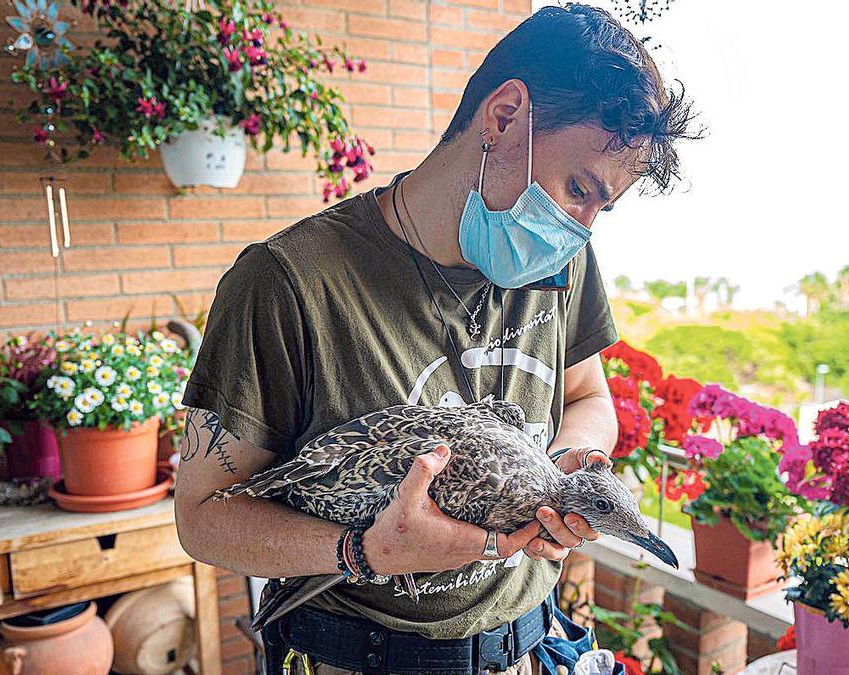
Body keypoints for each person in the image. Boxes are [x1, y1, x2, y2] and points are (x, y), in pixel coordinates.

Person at [174, 4, 697, 674]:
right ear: (503, 116)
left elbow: (589, 395)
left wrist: (563, 474)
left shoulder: (559, 261)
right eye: (578, 190)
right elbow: (203, 517)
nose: (583, 229)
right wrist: (362, 551)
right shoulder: (286, 282)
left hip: (528, 648)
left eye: (604, 207)